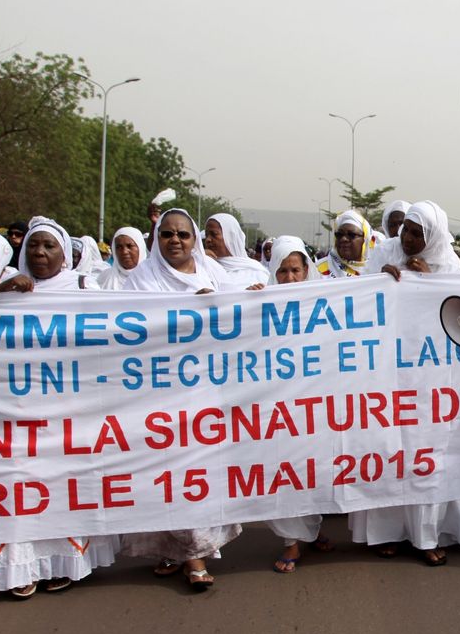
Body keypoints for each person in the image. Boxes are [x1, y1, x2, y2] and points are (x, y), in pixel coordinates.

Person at [0, 218, 119, 597]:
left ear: (66, 254)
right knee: (17, 483)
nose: (40, 254)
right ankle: (20, 566)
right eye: (33, 246)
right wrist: (5, 291)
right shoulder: (8, 285)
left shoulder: (83, 288)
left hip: (68, 408)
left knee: (64, 484)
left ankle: (64, 561)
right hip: (18, 408)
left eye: (49, 246)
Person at [121, 208, 247, 589]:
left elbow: (241, 321)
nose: (175, 241)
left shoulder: (215, 274)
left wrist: (231, 304)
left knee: (200, 474)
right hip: (158, 395)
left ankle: (189, 549)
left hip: (205, 393)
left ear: (194, 240)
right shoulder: (139, 281)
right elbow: (125, 329)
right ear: (156, 239)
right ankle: (190, 558)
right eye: (167, 235)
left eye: (183, 235)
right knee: (169, 474)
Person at [355, 200, 460, 563]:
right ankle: (385, 533)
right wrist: (381, 280)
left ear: (433, 236)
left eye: (417, 232)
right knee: (389, 443)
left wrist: (433, 282)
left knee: (427, 448)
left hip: (432, 376)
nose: (406, 237)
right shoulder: (383, 254)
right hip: (389, 369)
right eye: (405, 228)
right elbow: (360, 299)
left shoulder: (449, 265)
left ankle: (427, 535)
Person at [262, 234, 334, 571]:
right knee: (286, 469)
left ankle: (313, 528)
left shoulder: (324, 302)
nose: (289, 278)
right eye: (281, 272)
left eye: (295, 270)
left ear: (307, 270)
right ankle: (291, 541)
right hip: (279, 406)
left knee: (314, 468)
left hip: (315, 404)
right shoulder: (259, 305)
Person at [204, 213, 269, 286]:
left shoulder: (256, 272)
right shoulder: (201, 267)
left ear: (230, 237)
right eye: (206, 235)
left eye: (214, 234)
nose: (208, 239)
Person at [317, 210, 376, 278]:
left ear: (365, 239)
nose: (343, 239)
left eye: (351, 234)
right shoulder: (318, 270)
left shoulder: (377, 269)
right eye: (339, 234)